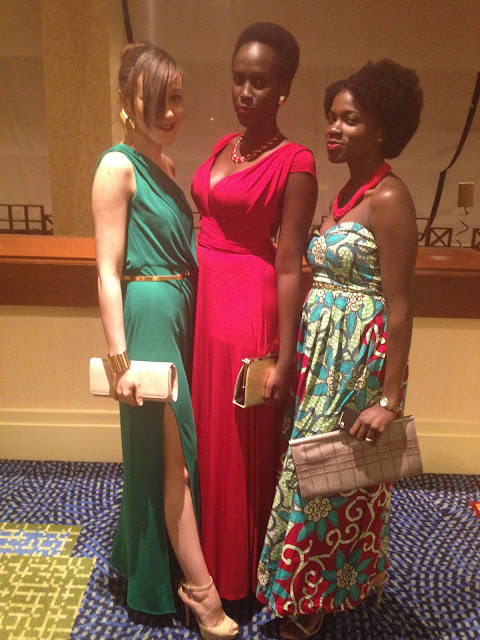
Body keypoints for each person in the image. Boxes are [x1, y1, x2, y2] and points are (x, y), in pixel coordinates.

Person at [257, 59, 423, 639]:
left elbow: (400, 304)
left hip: (357, 362)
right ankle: (332, 582)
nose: (334, 128)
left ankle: (310, 596)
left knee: (327, 478)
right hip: (322, 358)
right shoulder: (350, 192)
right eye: (332, 117)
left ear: (382, 128)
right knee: (321, 470)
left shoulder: (391, 197)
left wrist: (390, 399)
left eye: (350, 119)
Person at [92, 42, 237, 639]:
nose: (171, 112)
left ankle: (146, 563)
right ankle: (201, 593)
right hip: (148, 314)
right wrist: (119, 360)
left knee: (168, 452)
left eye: (177, 98)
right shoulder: (116, 167)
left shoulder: (169, 168)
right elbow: (107, 271)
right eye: (157, 99)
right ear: (129, 100)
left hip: (182, 308)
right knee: (176, 459)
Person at [190, 22, 318, 600]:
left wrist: (286, 356)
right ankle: (204, 560)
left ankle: (237, 577)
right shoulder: (225, 145)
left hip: (248, 309)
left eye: (259, 82)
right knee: (207, 436)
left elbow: (289, 263)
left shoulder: (297, 162)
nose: (245, 92)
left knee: (238, 446)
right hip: (207, 308)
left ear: (284, 87)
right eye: (238, 79)